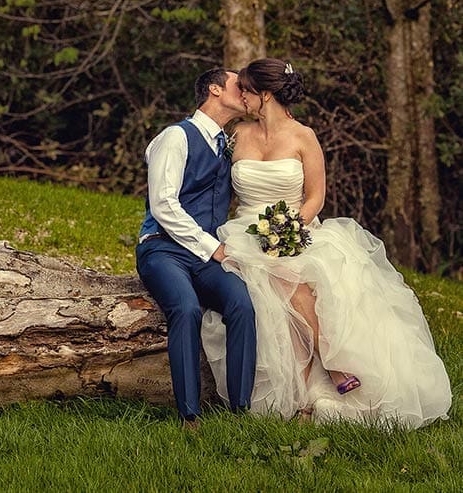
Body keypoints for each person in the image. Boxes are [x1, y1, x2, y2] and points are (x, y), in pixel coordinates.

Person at [201, 57, 452, 428]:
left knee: (296, 278)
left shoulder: (304, 137)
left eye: (248, 91)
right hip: (244, 232)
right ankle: (323, 378)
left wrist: (289, 228)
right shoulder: (239, 134)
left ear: (265, 95)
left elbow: (315, 197)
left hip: (294, 227)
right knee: (282, 281)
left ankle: (317, 386)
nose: (243, 98)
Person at [136, 67, 257, 425]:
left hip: (204, 255)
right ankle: (190, 415)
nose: (245, 90)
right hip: (162, 249)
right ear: (215, 89)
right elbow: (163, 204)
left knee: (242, 304)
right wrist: (211, 247)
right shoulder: (176, 137)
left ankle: (240, 410)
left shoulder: (226, 143)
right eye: (239, 85)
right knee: (186, 308)